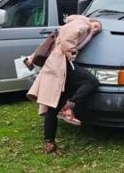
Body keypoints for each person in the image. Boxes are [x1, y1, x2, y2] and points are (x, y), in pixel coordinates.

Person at [26, 15, 102, 154]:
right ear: (91, 22)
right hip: (62, 62)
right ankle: (69, 106)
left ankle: (49, 142)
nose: (96, 29)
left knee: (53, 104)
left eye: (98, 29)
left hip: (57, 63)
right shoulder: (83, 25)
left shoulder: (75, 24)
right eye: (96, 26)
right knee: (91, 82)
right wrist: (70, 52)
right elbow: (68, 39)